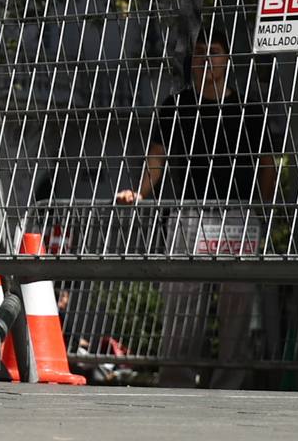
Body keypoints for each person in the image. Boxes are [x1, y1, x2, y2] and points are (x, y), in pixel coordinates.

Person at [116, 37, 276, 389]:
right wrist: (140, 191)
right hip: (190, 212)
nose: (205, 60)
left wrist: (259, 213)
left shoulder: (248, 109)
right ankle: (176, 379)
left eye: (213, 53)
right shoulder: (177, 106)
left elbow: (267, 163)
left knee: (236, 303)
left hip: (237, 214)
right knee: (182, 300)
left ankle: (228, 384)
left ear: (227, 59)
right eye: (199, 54)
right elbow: (157, 156)